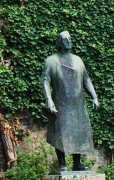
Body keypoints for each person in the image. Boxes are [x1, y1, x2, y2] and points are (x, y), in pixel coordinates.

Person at [41, 31, 100, 172]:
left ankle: (77, 163)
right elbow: (44, 81)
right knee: (60, 132)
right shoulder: (51, 61)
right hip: (61, 103)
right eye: (65, 39)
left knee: (78, 132)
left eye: (70, 39)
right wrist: (49, 100)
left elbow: (86, 79)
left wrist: (94, 96)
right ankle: (62, 163)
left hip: (78, 104)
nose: (69, 41)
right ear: (59, 42)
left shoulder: (78, 60)